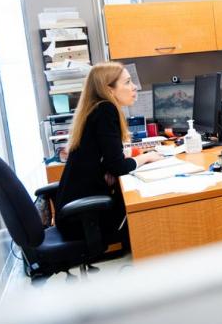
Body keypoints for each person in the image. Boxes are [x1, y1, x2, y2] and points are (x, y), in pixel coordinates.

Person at [55, 61, 161, 244]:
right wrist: (147, 157)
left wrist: (108, 167)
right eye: (127, 82)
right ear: (109, 89)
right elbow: (118, 166)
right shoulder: (106, 110)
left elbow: (104, 159)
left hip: (75, 214)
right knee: (153, 207)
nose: (134, 86)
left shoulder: (95, 109)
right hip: (84, 220)